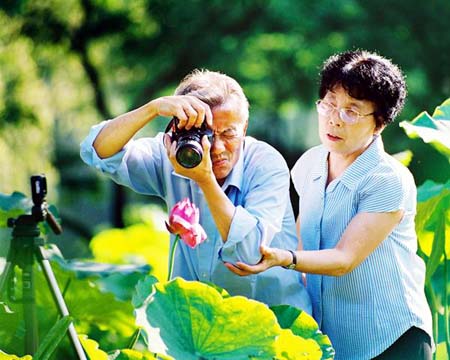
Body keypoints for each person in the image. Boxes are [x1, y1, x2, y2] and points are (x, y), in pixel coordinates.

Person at [226, 50, 434, 359]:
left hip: (392, 338)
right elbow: (301, 237)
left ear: (379, 123)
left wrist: (283, 257)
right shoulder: (308, 164)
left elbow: (343, 259)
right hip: (334, 338)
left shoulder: (388, 179)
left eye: (351, 110)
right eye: (329, 105)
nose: (334, 119)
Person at [80, 69, 311, 311]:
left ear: (244, 129)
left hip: (273, 324)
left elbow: (248, 251)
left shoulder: (265, 163)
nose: (217, 148)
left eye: (229, 133)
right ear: (179, 131)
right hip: (199, 325)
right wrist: (153, 109)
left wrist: (205, 180)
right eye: (206, 135)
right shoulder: (176, 153)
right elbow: (97, 152)